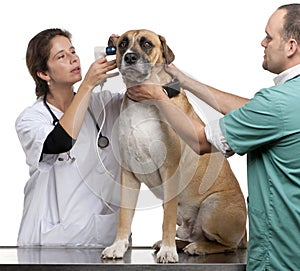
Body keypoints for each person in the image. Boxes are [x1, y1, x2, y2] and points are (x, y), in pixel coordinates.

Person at [126, 4, 300, 270]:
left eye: (269, 36)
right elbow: (251, 109)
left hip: (279, 258)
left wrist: (158, 96)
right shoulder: (289, 98)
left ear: (290, 46)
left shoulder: (275, 104)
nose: (262, 42)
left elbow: (201, 141)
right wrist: (185, 81)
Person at [15, 28, 123, 247]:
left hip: (102, 242)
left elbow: (151, 98)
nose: (74, 58)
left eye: (72, 51)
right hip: (49, 246)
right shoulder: (31, 119)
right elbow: (60, 142)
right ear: (44, 74)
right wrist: (88, 85)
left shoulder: (103, 105)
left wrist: (129, 54)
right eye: (61, 56)